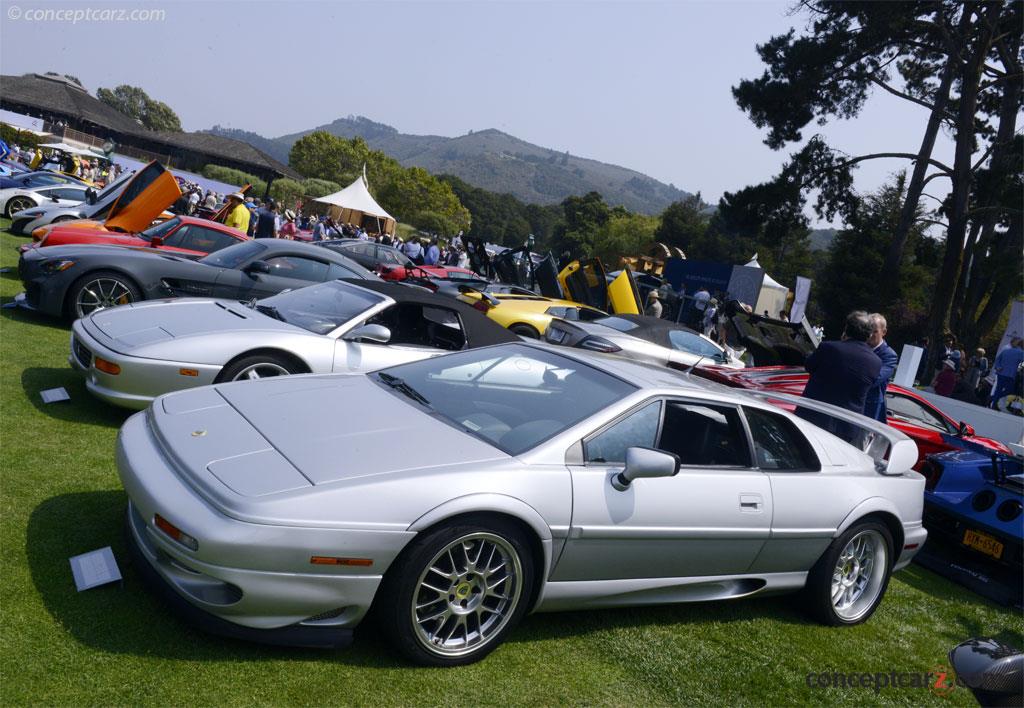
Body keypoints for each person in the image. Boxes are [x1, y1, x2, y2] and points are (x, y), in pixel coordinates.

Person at [800, 311, 881, 443]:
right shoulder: (876, 362)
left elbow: (809, 366)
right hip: (847, 427)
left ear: (846, 329)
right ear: (869, 335)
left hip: (813, 417)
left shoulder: (828, 348)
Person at [864, 313, 898, 423]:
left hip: (869, 410)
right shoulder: (859, 347)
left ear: (884, 332)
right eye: (868, 331)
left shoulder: (889, 355)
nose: (870, 335)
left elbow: (875, 379)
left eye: (875, 332)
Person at [990, 337, 1024, 408]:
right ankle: (992, 398)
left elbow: (997, 360)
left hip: (1001, 373)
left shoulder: (1006, 351)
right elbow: (1022, 363)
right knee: (1009, 390)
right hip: (1010, 375)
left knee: (999, 389)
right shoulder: (1021, 353)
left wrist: (998, 367)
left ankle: (993, 403)